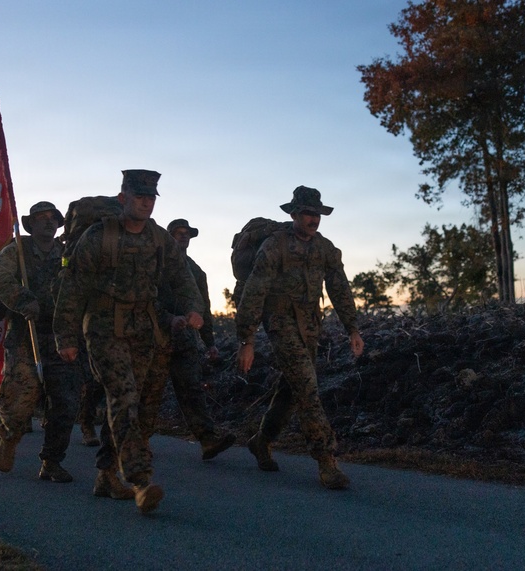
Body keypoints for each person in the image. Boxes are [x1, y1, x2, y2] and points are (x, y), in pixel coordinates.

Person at [54, 169, 203, 514]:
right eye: (139, 197)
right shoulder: (98, 237)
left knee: (136, 406)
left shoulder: (158, 238)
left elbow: (181, 275)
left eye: (151, 198)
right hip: (104, 328)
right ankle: (140, 480)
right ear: (123, 198)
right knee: (124, 396)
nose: (146, 203)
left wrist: (194, 308)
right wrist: (66, 335)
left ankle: (106, 474)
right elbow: (72, 289)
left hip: (144, 329)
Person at [235, 186, 365, 490]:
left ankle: (262, 440)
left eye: (317, 214)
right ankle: (327, 461)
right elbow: (255, 291)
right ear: (293, 214)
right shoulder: (274, 246)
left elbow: (340, 288)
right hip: (279, 322)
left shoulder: (325, 249)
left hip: (309, 325)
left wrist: (353, 329)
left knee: (293, 388)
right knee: (307, 386)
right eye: (307, 213)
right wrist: (246, 340)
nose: (313, 219)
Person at [0, 201, 82, 483]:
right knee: (20, 400)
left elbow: (78, 281)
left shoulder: (66, 253)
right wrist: (22, 300)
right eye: (41, 218)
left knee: (65, 402)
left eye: (52, 218)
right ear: (32, 224)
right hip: (24, 334)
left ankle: (51, 461)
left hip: (60, 336)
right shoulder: (17, 251)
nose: (48, 222)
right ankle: (9, 435)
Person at [162, 218, 234, 460]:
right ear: (169, 236)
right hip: (154, 338)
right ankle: (135, 445)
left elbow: (204, 308)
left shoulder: (196, 271)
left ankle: (207, 439)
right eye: (178, 233)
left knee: (192, 389)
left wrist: (210, 342)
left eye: (187, 234)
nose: (183, 237)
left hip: (185, 340)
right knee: (146, 394)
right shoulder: (155, 263)